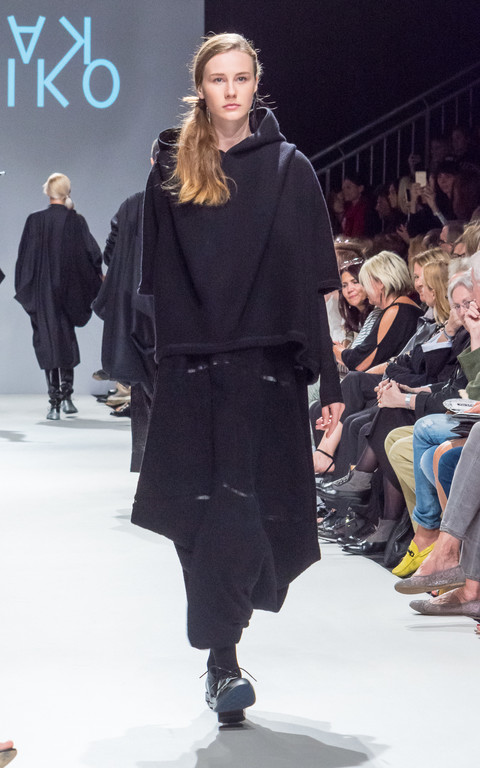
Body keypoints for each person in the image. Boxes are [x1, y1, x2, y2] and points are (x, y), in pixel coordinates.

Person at [130, 33, 343, 724]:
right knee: (201, 510)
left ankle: (222, 650)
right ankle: (222, 660)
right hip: (192, 367)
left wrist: (332, 386)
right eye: (218, 78)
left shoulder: (289, 169)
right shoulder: (173, 169)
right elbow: (156, 282)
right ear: (201, 86)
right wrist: (156, 367)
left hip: (267, 370)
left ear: (256, 84)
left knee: (249, 509)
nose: (230, 90)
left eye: (241, 77)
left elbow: (317, 285)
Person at [15, 173, 102, 419]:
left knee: (48, 342)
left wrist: (28, 290)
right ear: (67, 192)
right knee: (66, 339)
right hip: (69, 292)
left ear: (48, 191)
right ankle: (67, 397)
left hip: (42, 295)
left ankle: (54, 401)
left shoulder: (34, 221)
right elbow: (92, 254)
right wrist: (97, 278)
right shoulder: (76, 221)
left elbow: (24, 260)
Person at [93, 144, 157, 471]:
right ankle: (174, 464)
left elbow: (110, 253)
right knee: (175, 385)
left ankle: (146, 462)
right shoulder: (190, 202)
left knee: (143, 383)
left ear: (152, 160)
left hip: (135, 309)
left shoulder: (132, 205)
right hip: (177, 312)